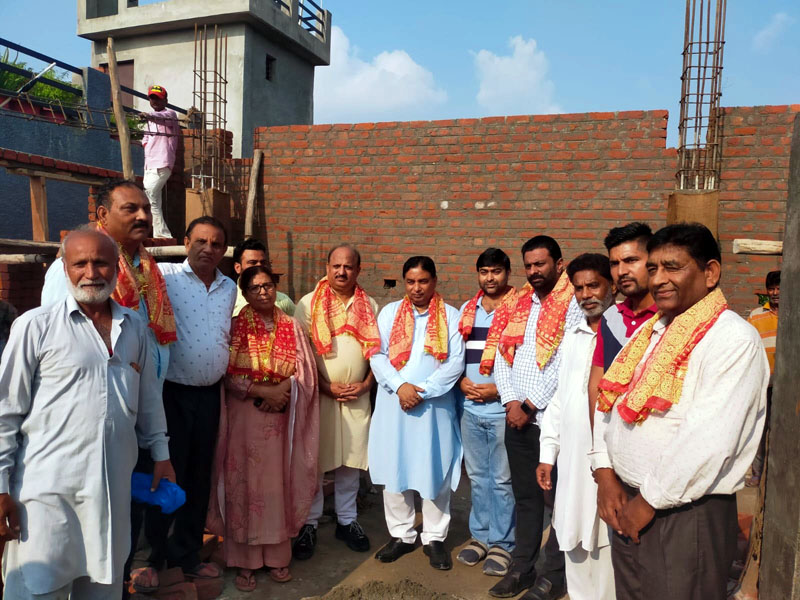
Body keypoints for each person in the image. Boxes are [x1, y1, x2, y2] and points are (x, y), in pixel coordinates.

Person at [591, 223, 768, 600]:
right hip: (629, 502)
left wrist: (649, 501)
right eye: (653, 268)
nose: (659, 279)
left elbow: (708, 439)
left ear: (711, 273)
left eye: (673, 267)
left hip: (684, 513)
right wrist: (605, 473)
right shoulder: (650, 333)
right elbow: (611, 402)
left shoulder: (732, 339)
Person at [0, 229, 175, 599]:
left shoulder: (135, 327)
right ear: (65, 268)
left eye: (101, 263)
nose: (91, 272)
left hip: (111, 493)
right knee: (37, 586)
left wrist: (161, 454)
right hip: (45, 493)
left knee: (102, 584)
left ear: (116, 268)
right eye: (80, 263)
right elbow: (5, 413)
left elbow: (148, 401)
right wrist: (0, 489)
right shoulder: (35, 326)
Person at [39, 180, 177, 593]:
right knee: (79, 523)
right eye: (129, 209)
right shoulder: (72, 270)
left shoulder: (146, 266)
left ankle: (118, 580)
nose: (142, 216)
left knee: (124, 509)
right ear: (101, 216)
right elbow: (57, 342)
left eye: (146, 209)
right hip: (81, 420)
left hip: (137, 408)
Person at [207, 265, 319, 592]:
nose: (263, 292)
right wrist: (259, 391)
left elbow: (307, 373)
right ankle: (244, 562)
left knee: (275, 487)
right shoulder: (235, 327)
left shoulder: (292, 326)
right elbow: (223, 372)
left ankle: (277, 557)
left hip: (281, 420)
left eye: (268, 285)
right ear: (245, 293)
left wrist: (283, 391)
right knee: (243, 487)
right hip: (243, 419)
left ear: (275, 287)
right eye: (254, 288)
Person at [491, 235, 582, 600]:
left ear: (559, 264)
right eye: (528, 265)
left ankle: (553, 575)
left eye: (540, 264)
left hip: (552, 422)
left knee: (560, 500)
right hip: (517, 419)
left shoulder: (573, 303)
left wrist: (530, 405)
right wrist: (511, 400)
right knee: (526, 498)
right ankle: (521, 568)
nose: (533, 271)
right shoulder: (518, 302)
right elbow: (502, 352)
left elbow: (565, 360)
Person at [145, 216, 237, 579]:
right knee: (167, 473)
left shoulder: (229, 287)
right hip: (172, 394)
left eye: (216, 244)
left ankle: (187, 553)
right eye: (201, 241)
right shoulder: (164, 278)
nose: (208, 249)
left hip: (210, 396)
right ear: (186, 243)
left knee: (200, 474)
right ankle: (155, 556)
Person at [369, 256, 465, 571]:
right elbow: (377, 354)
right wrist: (400, 387)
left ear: (434, 281)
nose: (416, 288)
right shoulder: (389, 313)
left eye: (423, 281)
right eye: (410, 281)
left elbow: (455, 363)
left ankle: (435, 538)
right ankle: (401, 535)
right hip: (395, 403)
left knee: (434, 465)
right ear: (404, 282)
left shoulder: (450, 316)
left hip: (432, 407)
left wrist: (421, 390)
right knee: (394, 464)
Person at [537, 253, 616, 600]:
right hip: (571, 462)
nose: (586, 294)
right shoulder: (574, 336)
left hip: (609, 465)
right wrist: (547, 453)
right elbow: (560, 401)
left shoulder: (627, 335)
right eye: (579, 288)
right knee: (572, 537)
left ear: (611, 285)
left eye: (593, 285)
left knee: (608, 547)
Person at [293, 245, 378, 559]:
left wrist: (367, 384)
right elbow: (301, 354)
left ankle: (347, 520)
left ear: (358, 269)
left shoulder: (369, 304)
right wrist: (326, 386)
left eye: (348, 267)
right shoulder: (307, 304)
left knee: (350, 462)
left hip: (358, 396)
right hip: (320, 396)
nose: (342, 272)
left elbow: (376, 356)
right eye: (336, 266)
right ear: (327, 267)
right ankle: (310, 523)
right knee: (317, 461)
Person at [455, 248, 517, 576]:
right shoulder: (468, 310)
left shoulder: (520, 309)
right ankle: (479, 537)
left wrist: (499, 390)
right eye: (484, 272)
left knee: (502, 481)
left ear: (508, 273)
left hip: (502, 410)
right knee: (478, 478)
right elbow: (456, 355)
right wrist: (462, 381)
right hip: (470, 408)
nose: (489, 278)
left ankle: (502, 544)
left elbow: (525, 360)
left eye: (495, 271)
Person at [587, 223, 656, 424]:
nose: (621, 271)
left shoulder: (670, 318)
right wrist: (597, 444)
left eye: (631, 260)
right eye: (614, 264)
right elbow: (596, 384)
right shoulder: (610, 318)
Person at [745, 269, 780, 486]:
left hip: (790, 386)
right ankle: (757, 473)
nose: (775, 293)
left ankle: (780, 475)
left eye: (779, 288)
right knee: (759, 430)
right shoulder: (756, 316)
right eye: (771, 289)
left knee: (786, 430)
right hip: (763, 384)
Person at [141, 84, 180, 239]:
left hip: (162, 162)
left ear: (165, 100)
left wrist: (148, 116)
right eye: (152, 98)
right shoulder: (149, 119)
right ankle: (160, 234)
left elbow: (161, 118)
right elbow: (145, 138)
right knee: (154, 200)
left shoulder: (170, 114)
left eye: (157, 98)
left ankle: (163, 234)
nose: (154, 101)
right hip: (149, 164)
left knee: (149, 194)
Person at [232, 238, 296, 316]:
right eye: (252, 263)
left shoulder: (283, 301)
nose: (259, 266)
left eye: (263, 262)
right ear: (238, 267)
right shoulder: (229, 301)